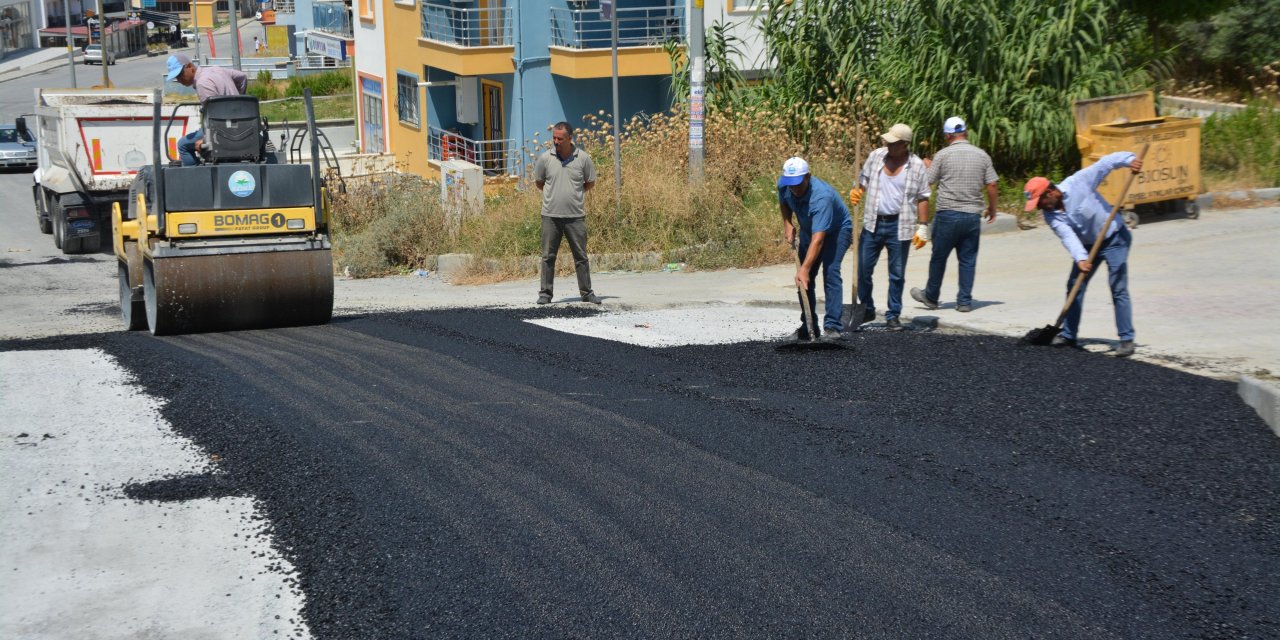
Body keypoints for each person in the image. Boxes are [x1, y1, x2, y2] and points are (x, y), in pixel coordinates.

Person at [1024, 150, 1144, 357]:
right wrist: (1080, 258)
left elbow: (1105, 164)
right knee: (1074, 285)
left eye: (1039, 202)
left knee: (1117, 286)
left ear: (1050, 193)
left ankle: (1126, 340)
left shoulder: (1078, 182)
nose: (1038, 208)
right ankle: (1068, 335)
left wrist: (1129, 161)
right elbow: (1067, 235)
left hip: (1115, 238)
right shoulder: (1050, 215)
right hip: (1088, 246)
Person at [909, 116, 998, 313]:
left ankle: (931, 297)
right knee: (967, 259)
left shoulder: (943, 155)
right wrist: (992, 208)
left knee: (939, 257)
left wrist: (928, 166)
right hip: (972, 216)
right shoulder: (982, 155)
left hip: (947, 214)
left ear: (948, 136)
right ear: (965, 133)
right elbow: (992, 184)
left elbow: (928, 181)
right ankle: (964, 301)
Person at [848, 123, 931, 330]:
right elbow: (863, 179)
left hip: (899, 226)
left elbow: (923, 197)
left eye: (893, 143)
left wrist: (923, 226)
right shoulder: (876, 156)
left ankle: (893, 315)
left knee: (897, 274)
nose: (887, 145)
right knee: (863, 269)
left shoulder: (916, 165)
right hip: (873, 223)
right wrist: (857, 190)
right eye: (887, 141)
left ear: (904, 144)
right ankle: (867, 309)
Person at [777, 157, 854, 340]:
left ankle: (833, 327)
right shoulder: (784, 184)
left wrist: (805, 268)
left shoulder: (821, 197)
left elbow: (818, 240)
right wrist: (787, 222)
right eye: (790, 184)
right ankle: (809, 325)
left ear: (808, 176)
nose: (794, 189)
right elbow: (784, 202)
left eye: (798, 184)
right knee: (803, 279)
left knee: (831, 272)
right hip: (809, 230)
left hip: (837, 231)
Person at [533, 122, 600, 305]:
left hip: (575, 217)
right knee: (548, 257)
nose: (555, 141)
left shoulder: (583, 158)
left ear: (570, 138)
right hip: (550, 216)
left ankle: (587, 293)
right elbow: (539, 182)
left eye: (560, 138)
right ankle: (545, 294)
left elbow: (590, 183)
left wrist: (574, 194)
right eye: (554, 138)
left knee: (581, 257)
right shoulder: (545, 158)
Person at [165, 54, 248, 166]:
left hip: (224, 129)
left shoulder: (202, 84)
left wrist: (206, 139)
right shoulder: (216, 70)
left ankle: (195, 175)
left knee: (182, 145)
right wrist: (238, 100)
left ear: (190, 66)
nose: (179, 80)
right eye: (176, 77)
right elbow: (242, 77)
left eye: (180, 75)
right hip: (241, 125)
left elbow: (215, 119)